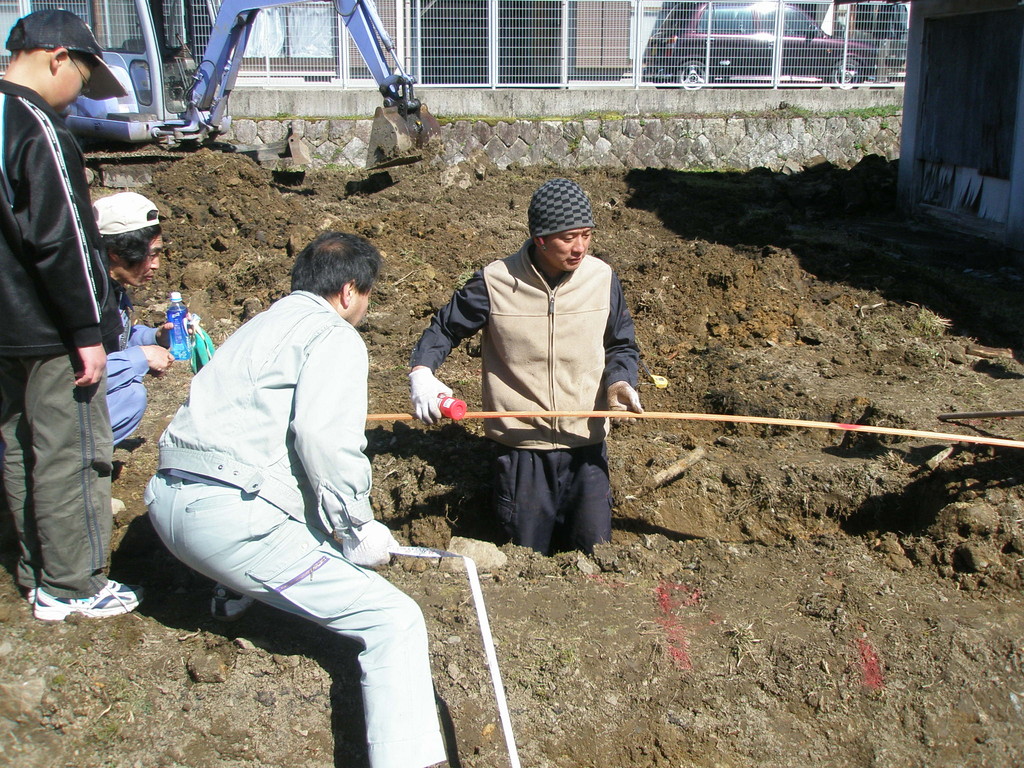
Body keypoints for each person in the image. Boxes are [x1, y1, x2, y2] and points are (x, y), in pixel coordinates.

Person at [145, 232, 447, 768]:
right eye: (370, 294)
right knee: (394, 620)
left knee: (288, 500)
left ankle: (233, 592)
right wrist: (357, 526)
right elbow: (322, 439)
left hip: (168, 506)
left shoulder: (257, 326)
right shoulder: (333, 335)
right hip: (227, 524)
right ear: (350, 291)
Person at [408, 177, 643, 556]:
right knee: (524, 559)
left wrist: (619, 382)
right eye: (568, 238)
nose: (580, 247)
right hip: (521, 454)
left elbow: (621, 344)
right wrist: (422, 372)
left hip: (587, 448)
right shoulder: (495, 282)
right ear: (540, 239)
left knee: (596, 555)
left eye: (586, 235)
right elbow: (444, 328)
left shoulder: (602, 279)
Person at [0, 10, 142, 621]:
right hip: (48, 326)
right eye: (84, 75)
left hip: (4, 328)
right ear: (57, 57)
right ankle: (74, 584)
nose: (81, 92)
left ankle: (35, 569)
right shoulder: (39, 127)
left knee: (15, 443)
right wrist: (89, 330)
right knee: (71, 448)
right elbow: (64, 240)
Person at [93, 192, 176, 444]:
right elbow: (70, 374)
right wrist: (141, 357)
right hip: (54, 404)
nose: (156, 265)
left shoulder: (114, 290)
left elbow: (117, 338)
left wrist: (156, 337)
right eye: (149, 255)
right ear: (116, 252)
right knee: (130, 396)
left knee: (131, 396)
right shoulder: (82, 297)